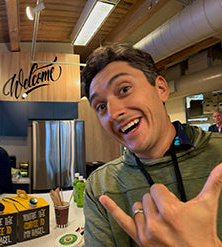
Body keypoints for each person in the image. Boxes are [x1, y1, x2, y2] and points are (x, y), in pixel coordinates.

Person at [81, 44, 222, 246]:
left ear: (161, 89)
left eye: (124, 89)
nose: (113, 113)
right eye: (101, 106)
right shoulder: (100, 188)